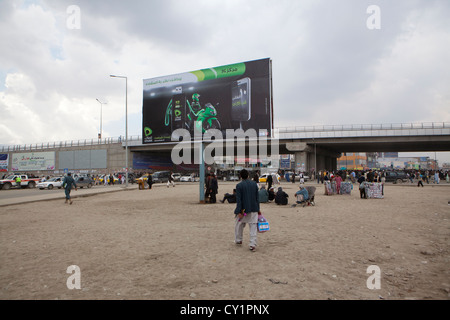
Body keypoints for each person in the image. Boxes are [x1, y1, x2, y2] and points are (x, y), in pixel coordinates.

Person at [234, 169, 260, 252]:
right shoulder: (254, 184)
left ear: (240, 176)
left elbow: (239, 200)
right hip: (254, 209)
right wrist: (258, 209)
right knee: (253, 227)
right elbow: (257, 198)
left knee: (239, 224)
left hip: (244, 211)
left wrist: (239, 211)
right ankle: (252, 244)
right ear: (248, 175)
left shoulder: (239, 185)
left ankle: (239, 239)